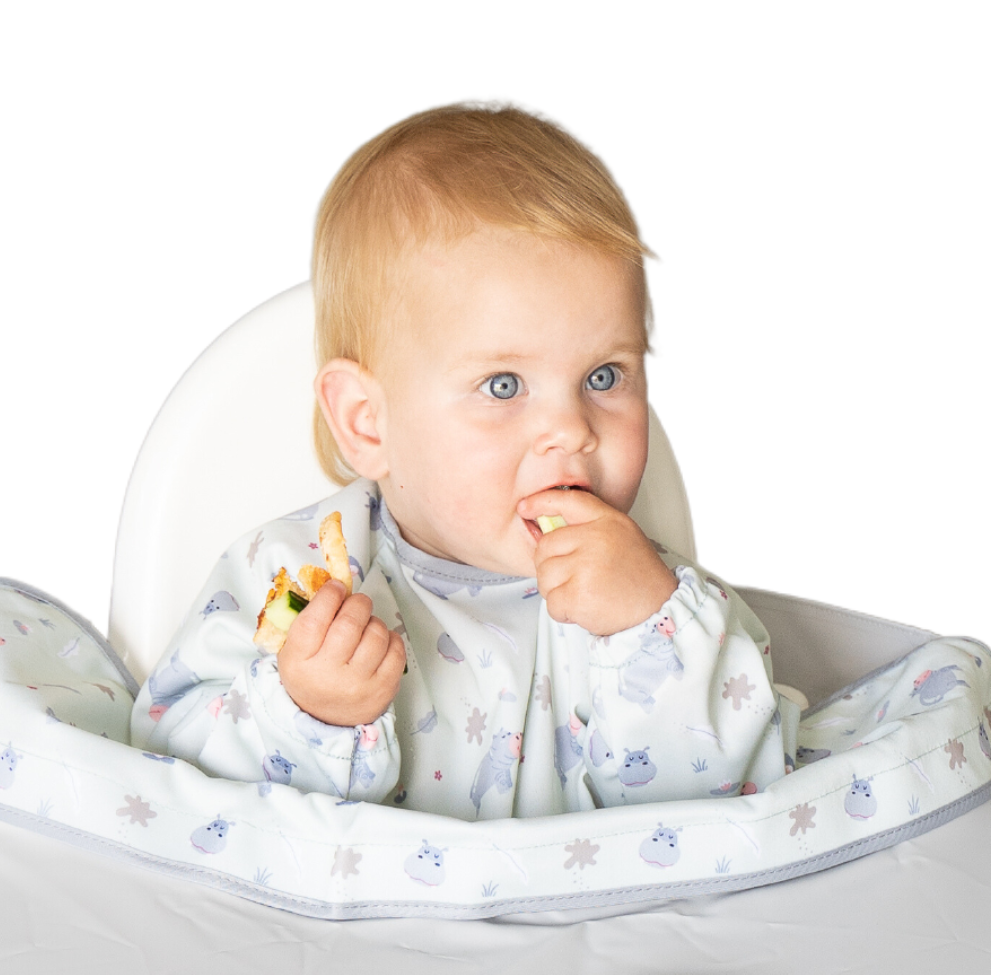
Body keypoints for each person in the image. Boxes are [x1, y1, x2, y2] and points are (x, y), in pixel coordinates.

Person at [130, 104, 799, 820]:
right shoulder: (291, 584)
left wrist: (651, 639)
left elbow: (741, 809)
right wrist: (307, 712)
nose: (571, 429)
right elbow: (166, 779)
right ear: (368, 421)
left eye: (604, 376)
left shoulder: (659, 603)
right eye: (503, 386)